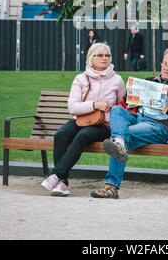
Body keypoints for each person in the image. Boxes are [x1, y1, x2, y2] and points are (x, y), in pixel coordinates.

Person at [91, 48, 168, 199]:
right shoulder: (150, 81)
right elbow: (129, 103)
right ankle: (119, 143)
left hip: (158, 126)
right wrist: (131, 92)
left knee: (124, 135)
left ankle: (111, 186)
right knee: (117, 110)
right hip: (138, 119)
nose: (166, 68)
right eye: (164, 64)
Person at [41, 42, 126, 196]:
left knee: (83, 135)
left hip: (103, 124)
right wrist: (95, 105)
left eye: (107, 55)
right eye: (100, 55)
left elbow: (122, 106)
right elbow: (73, 107)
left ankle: (56, 176)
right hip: (80, 119)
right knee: (60, 135)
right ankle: (63, 183)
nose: (104, 58)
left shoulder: (117, 80)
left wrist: (110, 110)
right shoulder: (81, 78)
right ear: (90, 58)